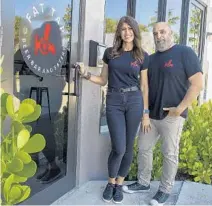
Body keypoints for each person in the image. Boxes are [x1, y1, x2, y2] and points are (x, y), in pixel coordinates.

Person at [122, 22, 203, 205]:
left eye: (162, 32)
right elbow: (146, 87)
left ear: (170, 33)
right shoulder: (150, 58)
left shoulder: (185, 52)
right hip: (150, 115)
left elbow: (197, 83)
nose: (159, 36)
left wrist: (180, 108)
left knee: (169, 154)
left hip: (172, 116)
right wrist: (144, 112)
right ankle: (143, 183)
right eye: (155, 33)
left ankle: (165, 190)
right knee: (143, 148)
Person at [78, 16, 150, 204]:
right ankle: (110, 183)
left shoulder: (142, 55)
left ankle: (119, 184)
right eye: (123, 29)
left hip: (134, 101)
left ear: (135, 31)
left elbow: (144, 86)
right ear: (119, 32)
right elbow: (103, 80)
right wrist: (86, 75)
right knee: (119, 147)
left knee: (128, 148)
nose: (127, 32)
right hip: (114, 100)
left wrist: (146, 114)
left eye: (130, 29)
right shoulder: (110, 53)